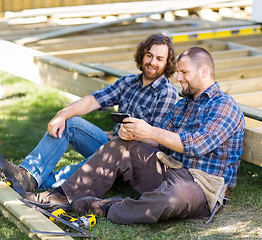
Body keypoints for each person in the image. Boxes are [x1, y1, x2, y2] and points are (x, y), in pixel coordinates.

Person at [7, 47, 246, 225]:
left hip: (203, 183)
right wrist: (135, 134)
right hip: (172, 167)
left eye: (184, 73)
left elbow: (196, 145)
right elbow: (160, 138)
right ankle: (61, 196)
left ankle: (108, 207)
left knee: (172, 198)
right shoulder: (185, 104)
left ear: (204, 71)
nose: (179, 78)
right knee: (121, 146)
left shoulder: (224, 106)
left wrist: (150, 131)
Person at [0, 34, 179, 192]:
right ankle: (27, 174)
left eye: (159, 59)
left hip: (133, 161)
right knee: (70, 122)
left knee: (88, 165)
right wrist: (61, 114)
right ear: (142, 55)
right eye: (149, 55)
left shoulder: (167, 93)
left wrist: (134, 135)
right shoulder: (129, 82)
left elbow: (159, 141)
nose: (152, 62)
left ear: (167, 64)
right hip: (113, 144)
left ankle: (35, 181)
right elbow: (93, 100)